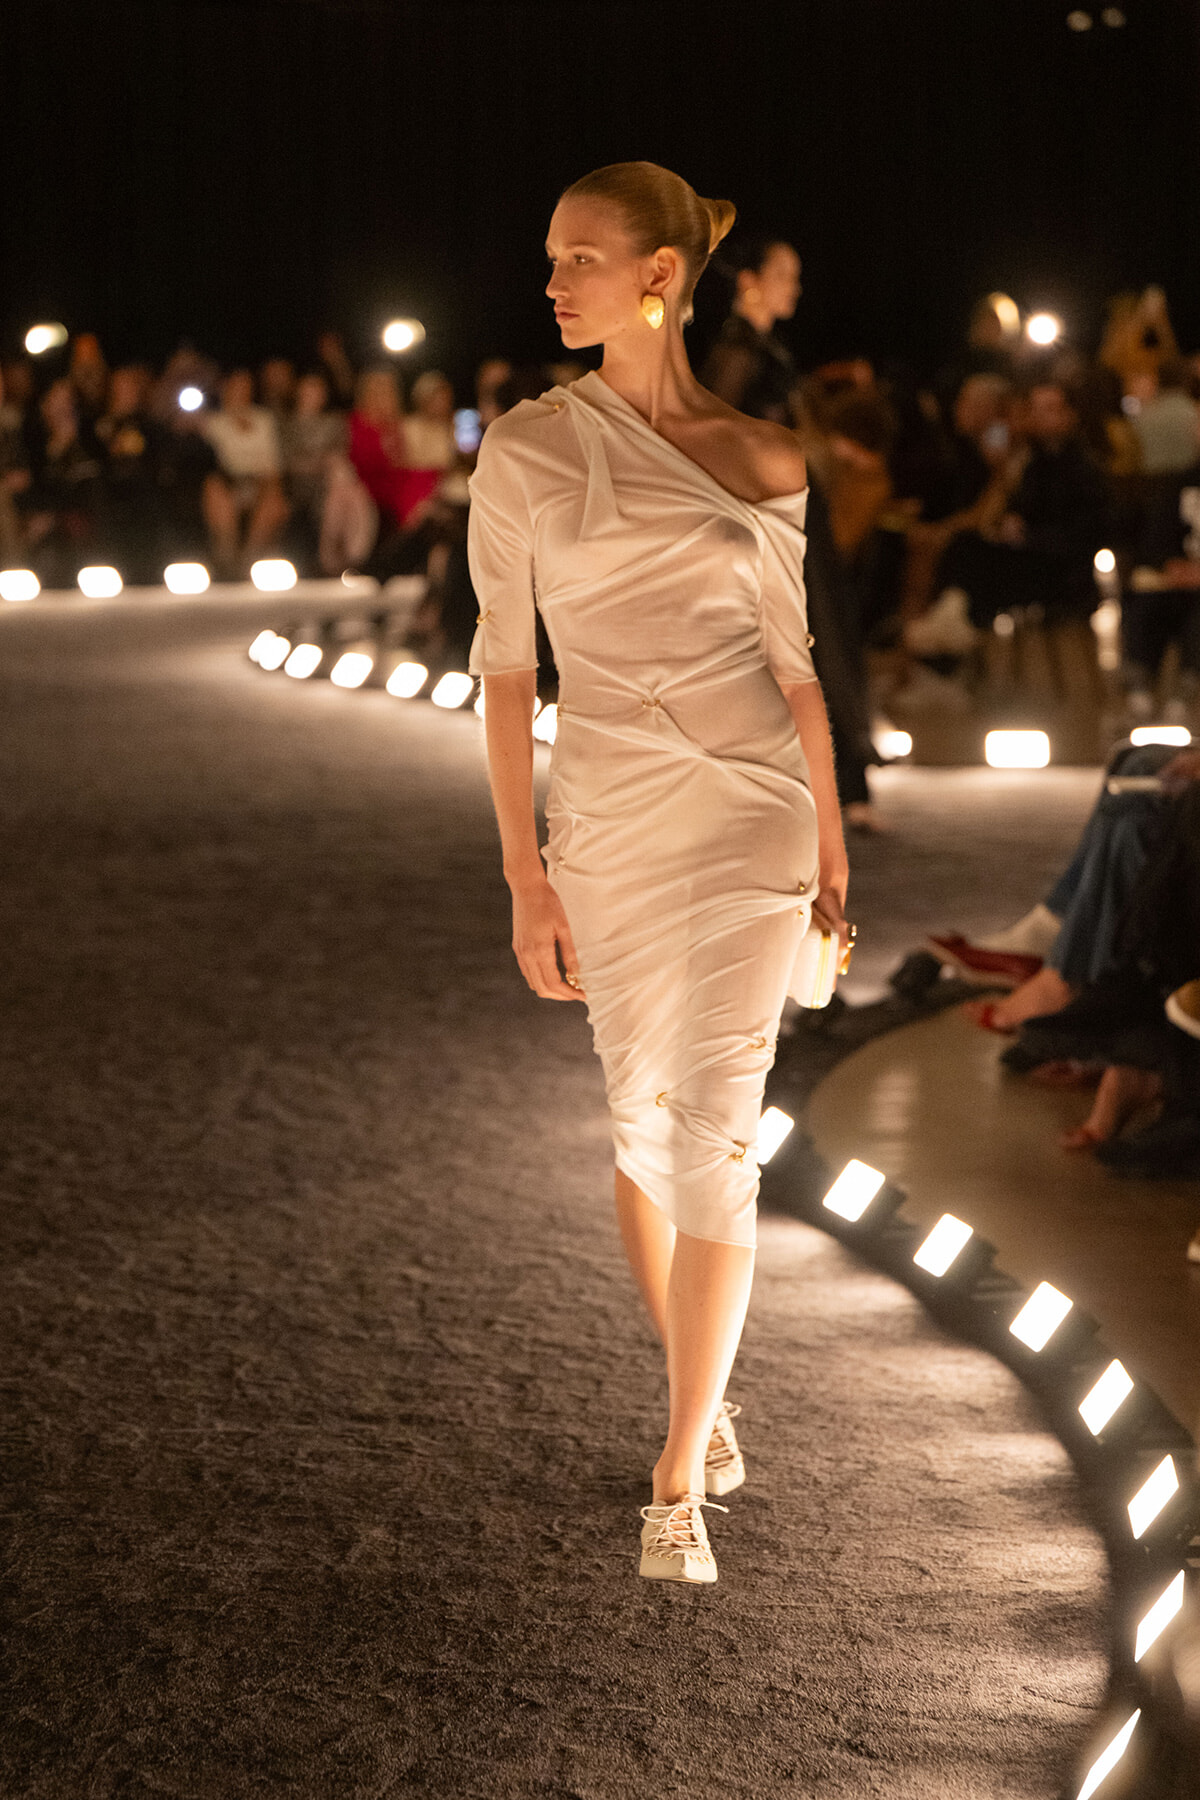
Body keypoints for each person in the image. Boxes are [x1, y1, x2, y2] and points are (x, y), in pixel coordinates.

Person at [468, 161, 849, 1585]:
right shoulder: (525, 450)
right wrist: (526, 874)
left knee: (716, 1140)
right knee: (642, 1123)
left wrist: (831, 843)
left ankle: (680, 1468)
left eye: (579, 258)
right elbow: (508, 674)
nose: (552, 281)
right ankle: (711, 1397)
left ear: (659, 277)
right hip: (610, 822)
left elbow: (796, 668)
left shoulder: (765, 458)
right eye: (550, 257)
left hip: (752, 818)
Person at [700, 234, 802, 424]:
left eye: (794, 277)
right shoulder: (738, 346)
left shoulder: (766, 343)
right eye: (781, 275)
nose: (793, 288)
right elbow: (715, 419)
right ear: (747, 280)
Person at [201, 370, 289, 577]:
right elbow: (215, 462)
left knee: (273, 500)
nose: (242, 392)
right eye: (237, 387)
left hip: (262, 481)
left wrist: (264, 482)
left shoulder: (264, 419)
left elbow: (273, 460)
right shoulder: (212, 422)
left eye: (246, 388)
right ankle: (227, 560)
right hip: (229, 481)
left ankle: (249, 563)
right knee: (215, 489)